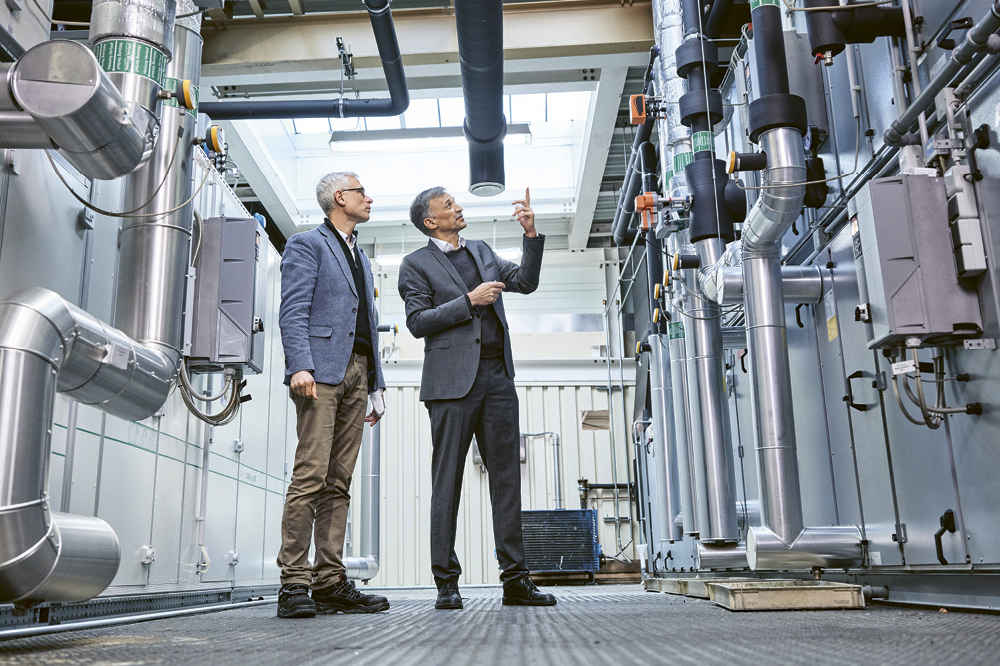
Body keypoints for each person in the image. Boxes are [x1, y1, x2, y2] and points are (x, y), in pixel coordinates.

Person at [398, 186, 556, 609]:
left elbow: (525, 281)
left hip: (497, 378)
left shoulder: (482, 250)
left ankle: (516, 581)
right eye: (449, 205)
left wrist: (531, 234)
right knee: (446, 483)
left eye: (455, 202)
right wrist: (469, 300)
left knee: (506, 480)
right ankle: (446, 583)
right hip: (450, 385)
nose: (459, 207)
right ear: (431, 221)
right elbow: (417, 322)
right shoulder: (415, 264)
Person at [276, 171, 389, 619]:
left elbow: (367, 322)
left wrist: (377, 384)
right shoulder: (308, 244)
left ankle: (329, 581)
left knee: (339, 483)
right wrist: (299, 365)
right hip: (320, 372)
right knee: (310, 477)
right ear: (340, 197)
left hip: (358, 373)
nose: (369, 197)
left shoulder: (359, 254)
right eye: (363, 191)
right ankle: (294, 583)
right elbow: (293, 308)